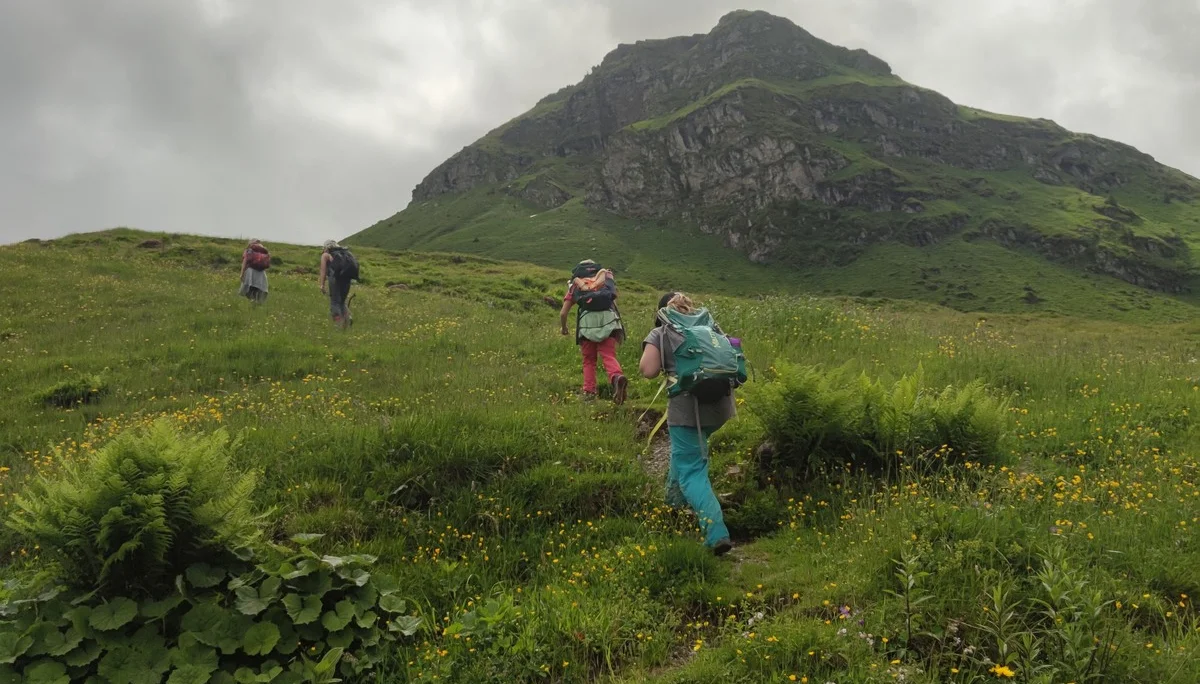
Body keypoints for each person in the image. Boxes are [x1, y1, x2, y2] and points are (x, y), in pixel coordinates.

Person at [640, 292, 736, 556]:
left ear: (661, 313)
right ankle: (672, 506)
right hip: (719, 407)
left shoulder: (661, 332)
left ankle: (716, 533)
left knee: (692, 470)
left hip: (687, 411)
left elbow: (647, 370)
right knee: (686, 455)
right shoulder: (708, 328)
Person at [559, 260, 628, 404]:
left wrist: (564, 328)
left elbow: (563, 313)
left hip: (587, 325)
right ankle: (616, 377)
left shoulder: (576, 284)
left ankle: (589, 393)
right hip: (608, 321)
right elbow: (613, 302)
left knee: (589, 360)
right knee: (608, 355)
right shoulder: (604, 280)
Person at [319, 240, 357, 329]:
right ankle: (348, 319)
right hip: (347, 279)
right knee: (342, 301)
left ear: (326, 247)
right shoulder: (345, 253)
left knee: (335, 302)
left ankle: (338, 326)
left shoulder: (326, 255)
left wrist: (322, 285)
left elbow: (323, 271)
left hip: (335, 279)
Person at [238, 239, 269, 305]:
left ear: (250, 244)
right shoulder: (264, 251)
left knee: (249, 289)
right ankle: (256, 302)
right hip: (261, 273)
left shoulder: (249, 251)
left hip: (250, 272)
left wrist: (242, 273)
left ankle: (253, 302)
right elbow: (265, 264)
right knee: (257, 289)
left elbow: (244, 262)